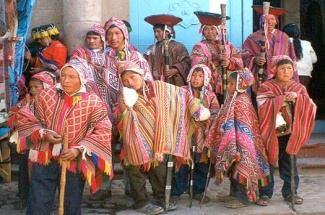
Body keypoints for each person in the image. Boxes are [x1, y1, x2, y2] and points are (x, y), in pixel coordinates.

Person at [14, 60, 113, 215]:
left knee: (71, 203)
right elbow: (26, 117)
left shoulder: (93, 102)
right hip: (45, 156)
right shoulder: (46, 94)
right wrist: (43, 133)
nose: (65, 80)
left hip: (73, 160)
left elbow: (104, 130)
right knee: (38, 200)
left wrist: (79, 149)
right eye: (63, 75)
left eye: (72, 77)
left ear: (83, 78)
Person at [117, 63, 211, 214]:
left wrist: (196, 109)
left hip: (158, 142)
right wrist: (125, 104)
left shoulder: (160, 87)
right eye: (125, 80)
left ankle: (161, 198)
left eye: (132, 77)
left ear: (142, 76)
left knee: (159, 172)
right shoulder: (125, 95)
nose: (129, 82)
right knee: (135, 171)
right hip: (135, 140)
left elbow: (181, 95)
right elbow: (121, 116)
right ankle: (141, 202)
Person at [256, 55, 316, 206]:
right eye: (282, 68)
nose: (286, 71)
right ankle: (265, 194)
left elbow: (310, 106)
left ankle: (291, 193)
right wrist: (281, 99)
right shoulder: (266, 87)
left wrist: (297, 98)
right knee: (267, 162)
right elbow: (262, 105)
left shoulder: (299, 88)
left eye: (289, 68)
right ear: (274, 70)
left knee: (290, 162)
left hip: (290, 133)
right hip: (271, 133)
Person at [205, 68, 270, 208]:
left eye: (231, 83)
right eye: (228, 83)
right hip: (232, 141)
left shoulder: (242, 101)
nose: (227, 86)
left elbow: (242, 125)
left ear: (241, 84)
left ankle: (242, 198)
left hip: (242, 143)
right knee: (233, 169)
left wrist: (235, 142)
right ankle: (234, 194)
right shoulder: (232, 99)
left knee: (241, 168)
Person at [171, 64, 220, 203]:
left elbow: (215, 113)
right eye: (194, 75)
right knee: (182, 164)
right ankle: (177, 191)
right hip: (185, 135)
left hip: (202, 136)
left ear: (206, 78)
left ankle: (198, 191)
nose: (196, 79)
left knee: (202, 164)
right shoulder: (182, 91)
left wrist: (206, 121)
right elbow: (174, 108)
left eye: (200, 76)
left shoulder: (210, 95)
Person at [7, 71, 55, 210]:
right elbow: (12, 115)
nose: (33, 90)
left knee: (41, 176)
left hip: (45, 146)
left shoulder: (54, 102)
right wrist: (26, 107)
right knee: (24, 171)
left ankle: (42, 202)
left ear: (47, 86)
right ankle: (24, 197)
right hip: (27, 144)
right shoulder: (26, 101)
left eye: (37, 87)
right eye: (31, 87)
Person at [242, 4, 298, 91]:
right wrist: (255, 59)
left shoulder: (284, 37)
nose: (269, 22)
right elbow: (244, 55)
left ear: (276, 21)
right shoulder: (253, 38)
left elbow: (292, 58)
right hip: (261, 77)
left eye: (272, 19)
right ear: (261, 21)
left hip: (281, 78)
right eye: (266, 19)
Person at [191, 11, 243, 97]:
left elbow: (239, 60)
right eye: (206, 29)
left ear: (217, 31)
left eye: (212, 29)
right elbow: (196, 66)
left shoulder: (227, 45)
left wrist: (229, 63)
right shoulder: (198, 47)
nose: (209, 32)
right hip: (209, 85)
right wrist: (215, 61)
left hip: (227, 83)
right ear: (203, 32)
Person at [144, 14, 190, 86]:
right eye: (154, 32)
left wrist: (176, 70)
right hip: (156, 83)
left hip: (173, 83)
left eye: (158, 31)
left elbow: (186, 62)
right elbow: (145, 64)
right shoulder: (150, 49)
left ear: (167, 32)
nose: (155, 34)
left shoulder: (178, 47)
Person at [283, 23, 317, 93]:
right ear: (298, 33)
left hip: (287, 75)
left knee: (288, 99)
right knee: (302, 98)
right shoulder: (307, 43)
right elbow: (314, 60)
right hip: (305, 76)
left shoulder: (283, 43)